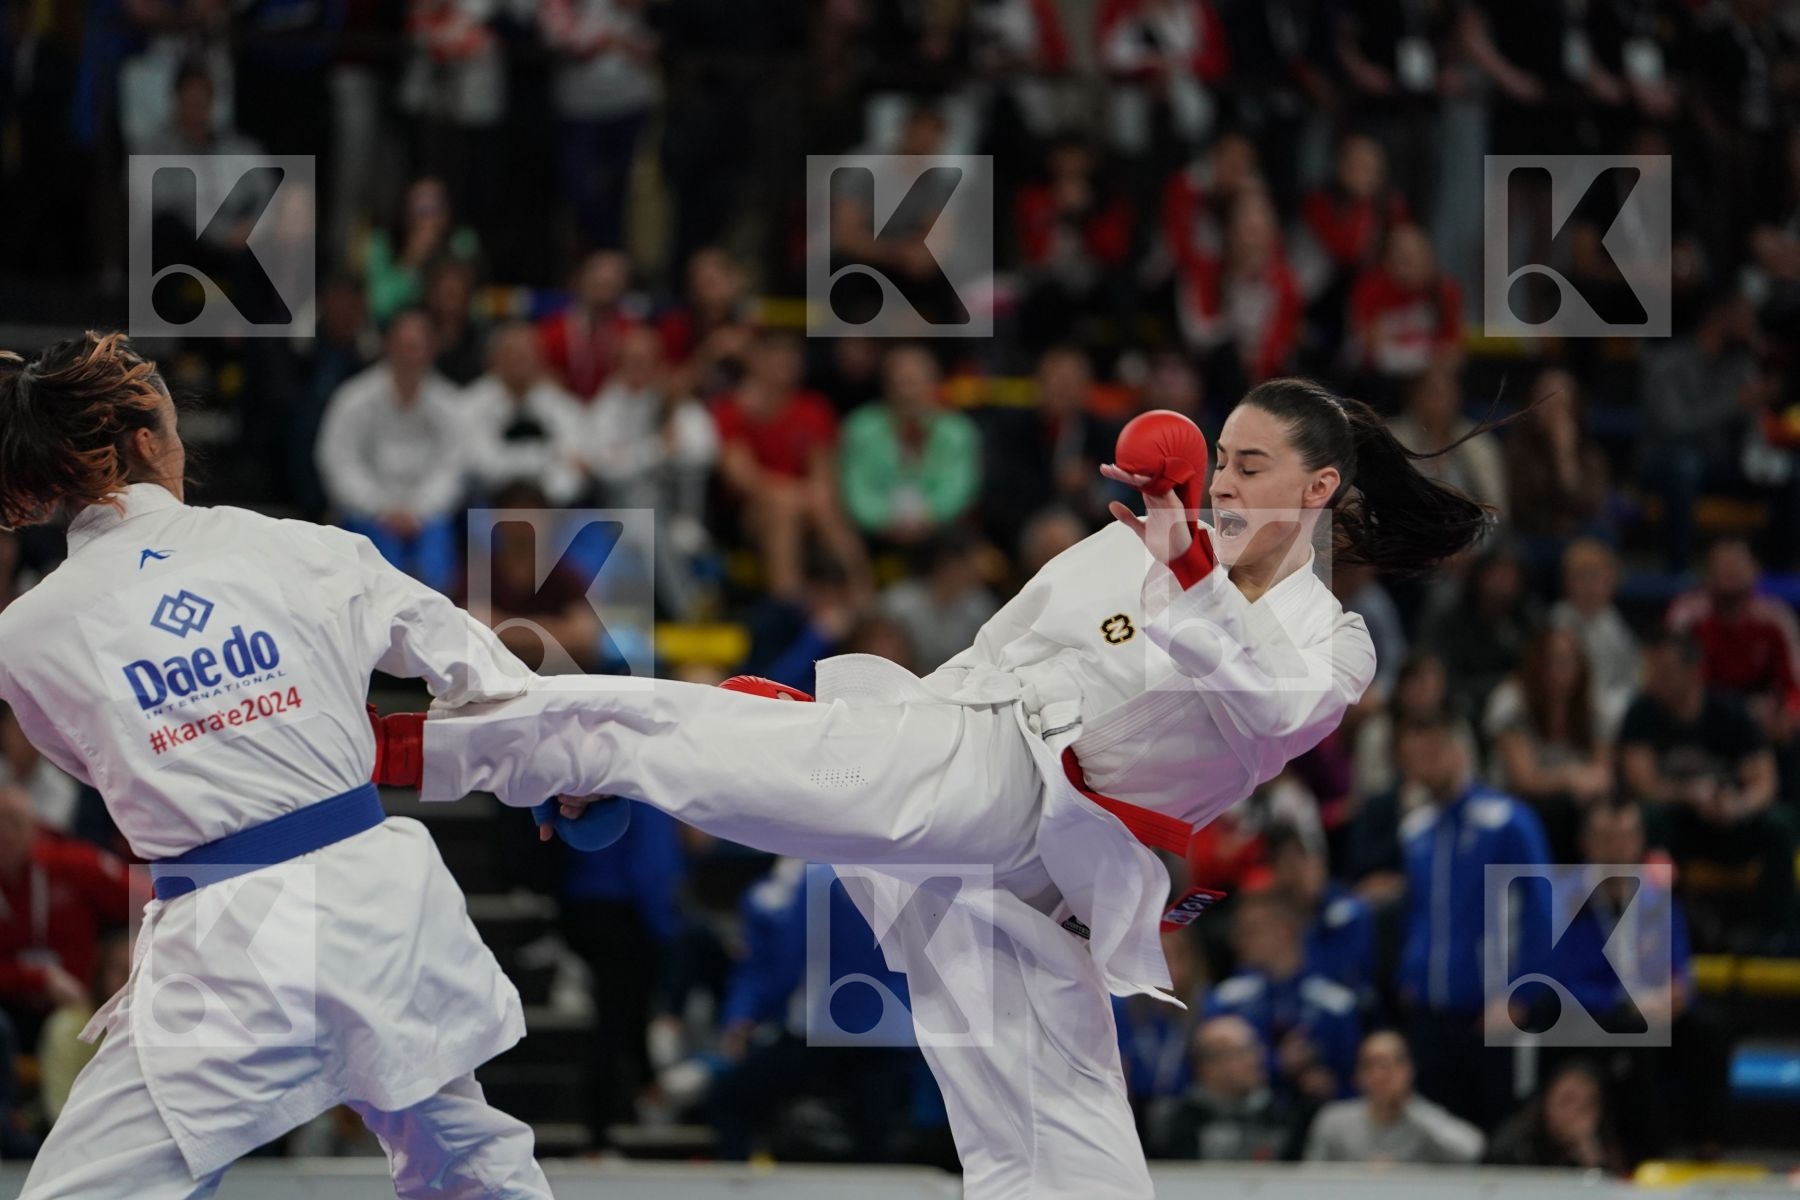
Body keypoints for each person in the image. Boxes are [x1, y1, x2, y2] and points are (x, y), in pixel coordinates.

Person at [380, 376, 1497, 1196]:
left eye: (1250, 466)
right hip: (969, 776)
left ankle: (467, 743)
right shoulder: (1131, 549)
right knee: (1021, 1152)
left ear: (1321, 487)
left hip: (1054, 865)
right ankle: (417, 744)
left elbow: (1267, 711)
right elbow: (980, 669)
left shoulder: (1334, 641)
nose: (1225, 480)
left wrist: (1193, 576)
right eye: (1220, 456)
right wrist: (828, 731)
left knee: (1062, 1151)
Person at [0, 333, 553, 1198]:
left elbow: (92, 760)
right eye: (176, 428)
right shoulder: (303, 547)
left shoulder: (26, 635)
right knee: (470, 1162)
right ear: (146, 442)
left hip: (223, 934)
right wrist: (567, 770)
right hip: (375, 901)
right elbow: (481, 670)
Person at [1397, 709, 1553, 1130]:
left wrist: (1522, 996)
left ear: (1456, 750)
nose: (1424, 764)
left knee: (1498, 1133)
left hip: (1492, 1011)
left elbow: (1542, 910)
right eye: (1414, 756)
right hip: (1431, 1013)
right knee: (1439, 1138)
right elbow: (1418, 912)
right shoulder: (1415, 831)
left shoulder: (1506, 820)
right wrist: (1410, 977)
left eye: (1432, 752)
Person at [1616, 632, 1796, 951]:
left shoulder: (1730, 713)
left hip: (1728, 821)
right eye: (1652, 670)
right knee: (1649, 820)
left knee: (1781, 825)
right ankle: (1660, 928)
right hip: (1680, 825)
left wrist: (1738, 806)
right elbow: (1642, 786)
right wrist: (1689, 793)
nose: (1655, 679)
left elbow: (1765, 783)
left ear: (1692, 671)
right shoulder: (1641, 714)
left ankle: (1775, 936)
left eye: (1665, 671)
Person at [315, 309, 468, 595]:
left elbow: (453, 466)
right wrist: (379, 506)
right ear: (388, 346)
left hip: (427, 514)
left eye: (418, 346)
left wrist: (420, 509)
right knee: (377, 568)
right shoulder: (353, 398)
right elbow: (337, 461)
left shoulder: (449, 403)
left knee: (437, 555)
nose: (410, 355)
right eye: (404, 345)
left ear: (432, 349)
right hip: (369, 512)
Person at [1205, 889, 1361, 1102]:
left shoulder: (1335, 1004)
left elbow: (1356, 1080)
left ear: (1284, 931)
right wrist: (1278, 1064)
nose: (1237, 941)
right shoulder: (1226, 1000)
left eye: (1251, 930)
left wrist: (1332, 1088)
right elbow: (1207, 1070)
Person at [1483, 628, 1614, 862]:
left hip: (1578, 805)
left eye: (1569, 661)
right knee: (1560, 810)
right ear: (1537, 665)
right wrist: (1570, 777)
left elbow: (1602, 774)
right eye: (1553, 661)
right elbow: (1524, 780)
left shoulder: (1592, 707)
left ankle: (1612, 892)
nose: (1561, 670)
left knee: (1614, 815)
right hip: (1519, 804)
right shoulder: (1512, 702)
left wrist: (1589, 783)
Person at [1143, 1014, 1311, 1162]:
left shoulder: (1282, 1116)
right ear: (1208, 1067)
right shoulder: (1177, 1123)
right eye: (1242, 1052)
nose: (1255, 1060)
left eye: (1255, 1048)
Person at [1303, 1030, 1485, 1164]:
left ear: (1409, 1070)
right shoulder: (1334, 1120)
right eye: (1371, 1065)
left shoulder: (1425, 1121)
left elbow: (1472, 1150)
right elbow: (1312, 1178)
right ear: (1358, 1075)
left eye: (1392, 1064)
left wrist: (1409, 1105)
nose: (1381, 1075)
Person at [461, 322, 588, 506]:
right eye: (512, 354)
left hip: (551, 505)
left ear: (541, 359)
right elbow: (481, 467)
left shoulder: (565, 408)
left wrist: (543, 499)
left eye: (526, 354)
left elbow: (575, 470)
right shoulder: (470, 406)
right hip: (492, 505)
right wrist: (547, 457)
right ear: (494, 359)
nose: (520, 361)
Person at [1484, 1059, 1631, 1175]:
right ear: (1545, 1102)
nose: (1575, 1112)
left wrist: (1592, 1158)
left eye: (1588, 1104)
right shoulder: (1514, 1145)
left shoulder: (1603, 1147)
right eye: (1566, 1100)